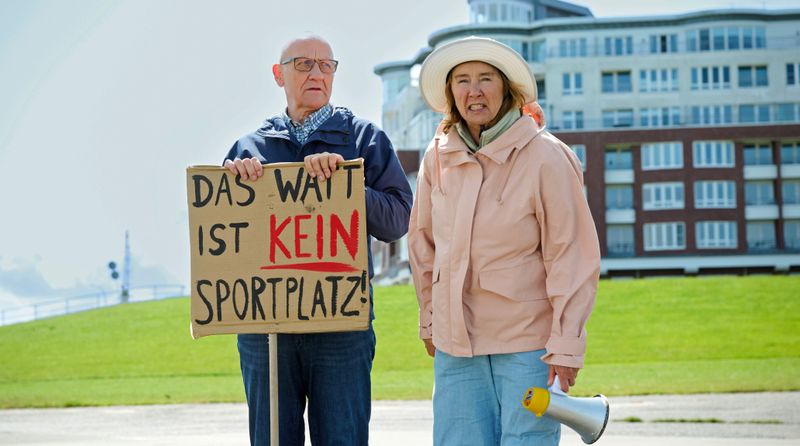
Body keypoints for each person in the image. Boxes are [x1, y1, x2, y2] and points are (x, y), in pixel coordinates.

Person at [408, 36, 601, 446]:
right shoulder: (436, 157)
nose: (473, 91)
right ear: (450, 93)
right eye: (462, 80)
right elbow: (423, 246)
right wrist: (429, 319)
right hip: (455, 347)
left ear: (507, 88)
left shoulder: (547, 155)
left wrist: (566, 346)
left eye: (485, 79)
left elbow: (571, 254)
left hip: (527, 348)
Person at [223, 35, 413, 446]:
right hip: (265, 331)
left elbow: (398, 220)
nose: (317, 74)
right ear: (279, 75)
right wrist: (236, 187)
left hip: (340, 327)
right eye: (304, 64)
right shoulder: (248, 148)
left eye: (326, 66)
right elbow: (225, 238)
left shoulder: (364, 139)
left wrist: (346, 186)